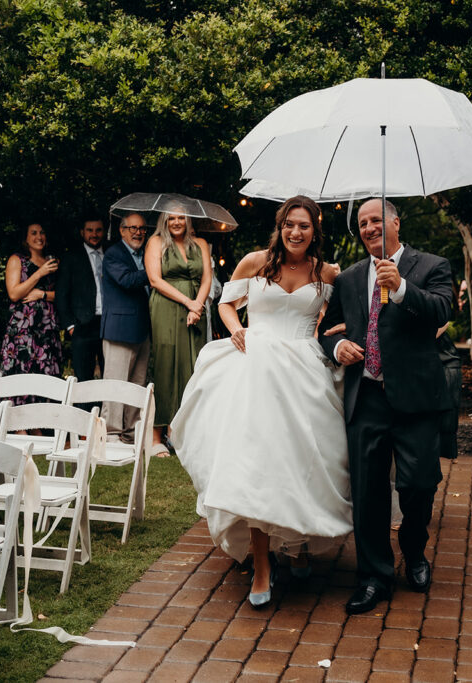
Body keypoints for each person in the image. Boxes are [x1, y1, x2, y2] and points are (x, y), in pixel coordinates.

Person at [170, 196, 349, 608]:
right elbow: (227, 304)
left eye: (304, 226)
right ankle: (263, 564)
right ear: (280, 226)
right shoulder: (254, 262)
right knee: (256, 463)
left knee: (303, 458)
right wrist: (237, 330)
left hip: (304, 368)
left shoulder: (326, 272)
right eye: (290, 225)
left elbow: (338, 317)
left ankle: (301, 542)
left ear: (314, 229)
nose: (296, 233)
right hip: (255, 363)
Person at [319, 198, 453, 615]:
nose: (369, 227)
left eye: (376, 219)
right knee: (369, 492)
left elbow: (442, 310)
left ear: (396, 222)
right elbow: (325, 329)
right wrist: (337, 345)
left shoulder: (431, 266)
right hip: (367, 397)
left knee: (418, 486)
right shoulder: (350, 278)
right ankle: (374, 576)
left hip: (415, 398)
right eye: (362, 223)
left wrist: (401, 288)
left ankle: (413, 552)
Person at [144, 211, 211, 449]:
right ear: (164, 221)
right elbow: (155, 280)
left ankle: (182, 432)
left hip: (196, 310)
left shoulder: (201, 243)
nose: (176, 222)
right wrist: (188, 302)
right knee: (164, 364)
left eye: (181, 217)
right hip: (166, 307)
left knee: (192, 366)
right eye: (171, 218)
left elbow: (206, 280)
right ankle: (155, 436)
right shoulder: (156, 242)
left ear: (188, 220)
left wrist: (197, 306)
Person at [100, 212, 151, 441]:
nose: (138, 232)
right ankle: (110, 434)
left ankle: (130, 434)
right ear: (122, 230)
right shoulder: (113, 254)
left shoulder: (146, 253)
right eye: (133, 228)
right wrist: (155, 271)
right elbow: (127, 280)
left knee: (136, 384)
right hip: (119, 329)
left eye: (141, 228)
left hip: (142, 329)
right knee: (115, 385)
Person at [0, 222, 62, 395]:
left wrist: (41, 294)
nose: (39, 237)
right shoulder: (17, 260)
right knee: (22, 376)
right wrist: (39, 273)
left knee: (47, 376)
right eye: (33, 233)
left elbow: (63, 295)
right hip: (23, 331)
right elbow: (14, 293)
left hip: (48, 329)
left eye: (42, 233)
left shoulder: (54, 261)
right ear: (25, 239)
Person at [56, 215, 106, 383]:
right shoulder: (71, 258)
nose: (94, 234)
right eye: (90, 230)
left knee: (110, 377)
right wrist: (70, 325)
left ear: (104, 232)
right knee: (83, 379)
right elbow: (62, 294)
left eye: (98, 230)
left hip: (109, 324)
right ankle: (85, 410)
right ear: (82, 232)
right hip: (82, 326)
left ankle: (105, 410)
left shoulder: (112, 254)